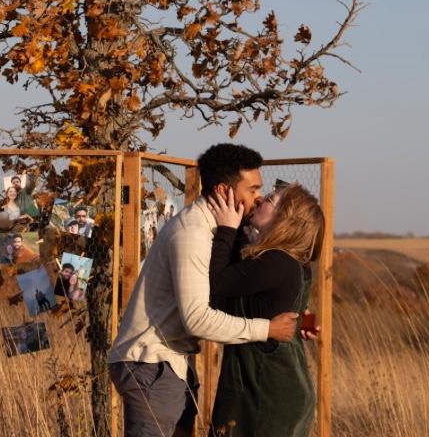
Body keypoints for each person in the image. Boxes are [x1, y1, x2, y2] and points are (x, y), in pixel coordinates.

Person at [108, 143, 300, 437]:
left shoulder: (215, 230)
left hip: (168, 364)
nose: (259, 197)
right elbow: (197, 319)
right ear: (224, 191)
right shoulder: (193, 233)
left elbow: (227, 293)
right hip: (152, 363)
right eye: (252, 189)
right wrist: (268, 329)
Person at [207, 183, 324, 437]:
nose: (261, 200)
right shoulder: (294, 262)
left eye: (270, 199)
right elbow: (280, 303)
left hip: (265, 397)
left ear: (284, 220)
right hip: (283, 388)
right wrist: (304, 324)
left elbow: (216, 283)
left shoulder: (275, 262)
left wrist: (226, 229)